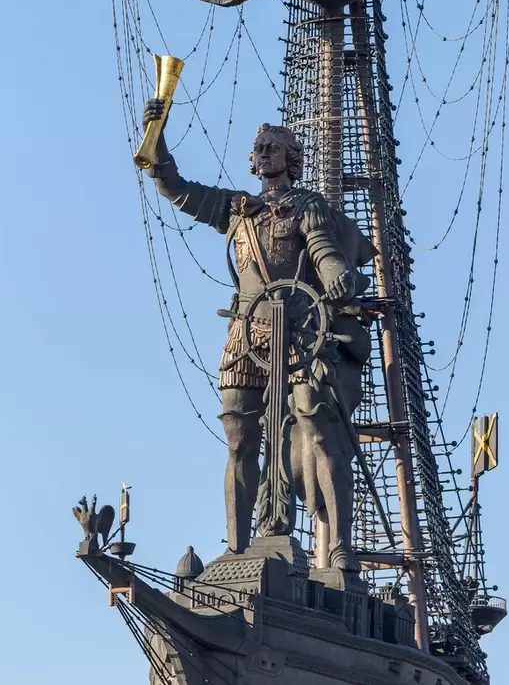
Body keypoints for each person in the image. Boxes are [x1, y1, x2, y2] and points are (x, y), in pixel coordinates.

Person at [143, 99, 372, 570]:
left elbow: (325, 251)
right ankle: (238, 548)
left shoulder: (306, 207)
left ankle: (341, 547)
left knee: (317, 424)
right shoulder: (237, 209)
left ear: (292, 158)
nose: (264, 152)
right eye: (259, 147)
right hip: (247, 336)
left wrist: (336, 275)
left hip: (302, 334)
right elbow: (176, 188)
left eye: (274, 147)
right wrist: (156, 135)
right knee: (238, 438)